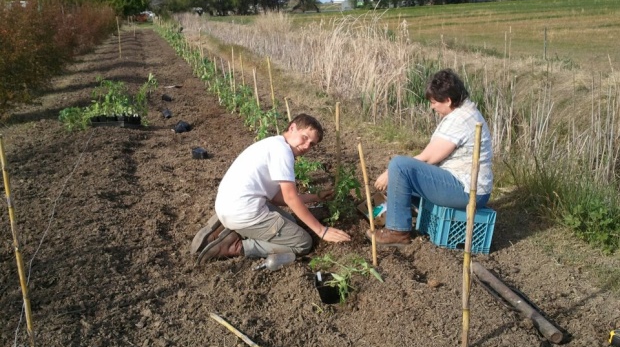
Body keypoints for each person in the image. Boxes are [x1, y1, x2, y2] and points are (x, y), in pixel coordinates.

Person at [191, 113, 351, 263]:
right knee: (303, 243)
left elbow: (276, 198)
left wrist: (316, 197)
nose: (306, 146)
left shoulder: (272, 144)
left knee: (291, 221)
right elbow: (290, 198)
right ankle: (235, 246)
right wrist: (322, 230)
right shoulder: (284, 152)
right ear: (292, 128)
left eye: (312, 144)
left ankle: (226, 228)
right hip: (243, 213)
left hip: (227, 207)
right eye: (305, 137)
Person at [369, 69, 493, 246]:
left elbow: (428, 158)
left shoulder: (460, 119)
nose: (432, 107)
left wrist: (390, 172)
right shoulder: (464, 112)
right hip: (465, 185)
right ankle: (402, 211)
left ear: (448, 100)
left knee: (399, 166)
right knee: (401, 179)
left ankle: (398, 232)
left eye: (434, 102)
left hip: (467, 191)